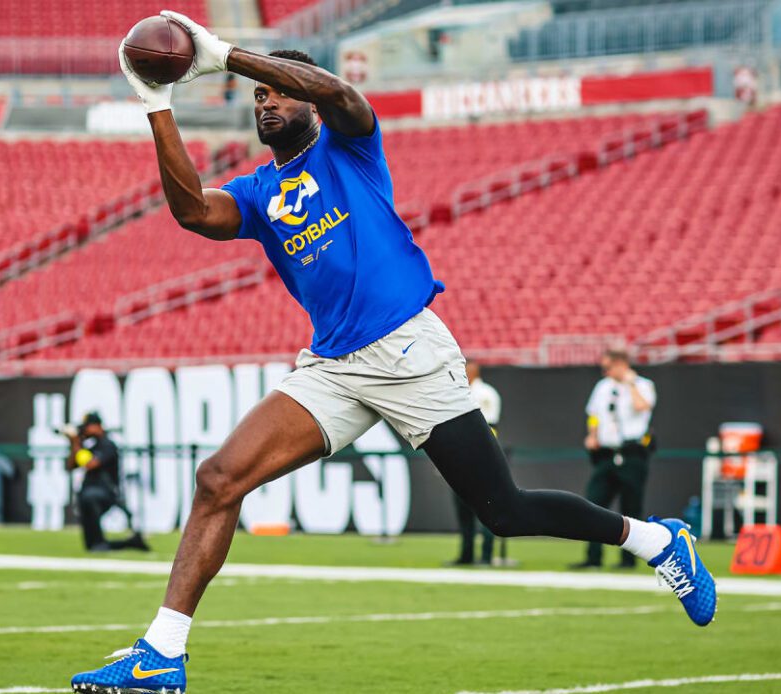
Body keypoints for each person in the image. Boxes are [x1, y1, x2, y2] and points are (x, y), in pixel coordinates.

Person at [72, 13, 717, 692]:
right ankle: (162, 653)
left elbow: (343, 97)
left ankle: (658, 541)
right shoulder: (260, 193)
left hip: (406, 347)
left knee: (505, 512)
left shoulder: (349, 145)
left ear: (305, 97)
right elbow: (193, 213)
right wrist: (157, 103)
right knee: (217, 479)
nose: (267, 103)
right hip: (333, 366)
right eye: (258, 98)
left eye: (278, 91)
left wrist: (233, 57)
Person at [572, 349, 657, 570]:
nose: (605, 372)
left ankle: (627, 561)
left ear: (621, 364)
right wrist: (592, 434)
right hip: (607, 454)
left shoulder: (643, 385)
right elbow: (593, 413)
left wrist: (630, 384)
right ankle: (593, 557)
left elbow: (642, 407)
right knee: (593, 504)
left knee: (631, 508)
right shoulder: (603, 387)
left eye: (608, 367)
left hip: (632, 453)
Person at [64, 412, 149, 554]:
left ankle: (101, 543)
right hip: (89, 493)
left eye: (87, 427)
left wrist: (77, 442)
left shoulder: (107, 445)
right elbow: (71, 465)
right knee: (92, 546)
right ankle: (130, 542)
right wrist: (74, 443)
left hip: (105, 492)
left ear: (97, 426)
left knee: (89, 498)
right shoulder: (92, 446)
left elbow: (90, 464)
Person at [447, 361, 500, 566]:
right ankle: (466, 554)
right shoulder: (461, 392)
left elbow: (490, 429)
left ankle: (486, 556)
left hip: (477, 457)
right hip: (460, 457)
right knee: (463, 509)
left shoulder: (485, 394)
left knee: (486, 508)